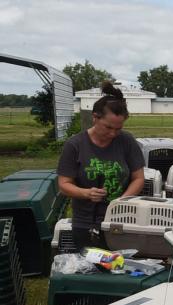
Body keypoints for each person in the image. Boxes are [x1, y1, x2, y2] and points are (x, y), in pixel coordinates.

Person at [57, 81, 145, 250]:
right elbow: (64, 185)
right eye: (108, 127)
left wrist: (121, 202)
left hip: (120, 222)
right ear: (95, 117)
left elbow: (138, 178)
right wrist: (86, 193)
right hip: (85, 223)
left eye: (118, 128)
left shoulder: (127, 141)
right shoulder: (75, 145)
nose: (113, 133)